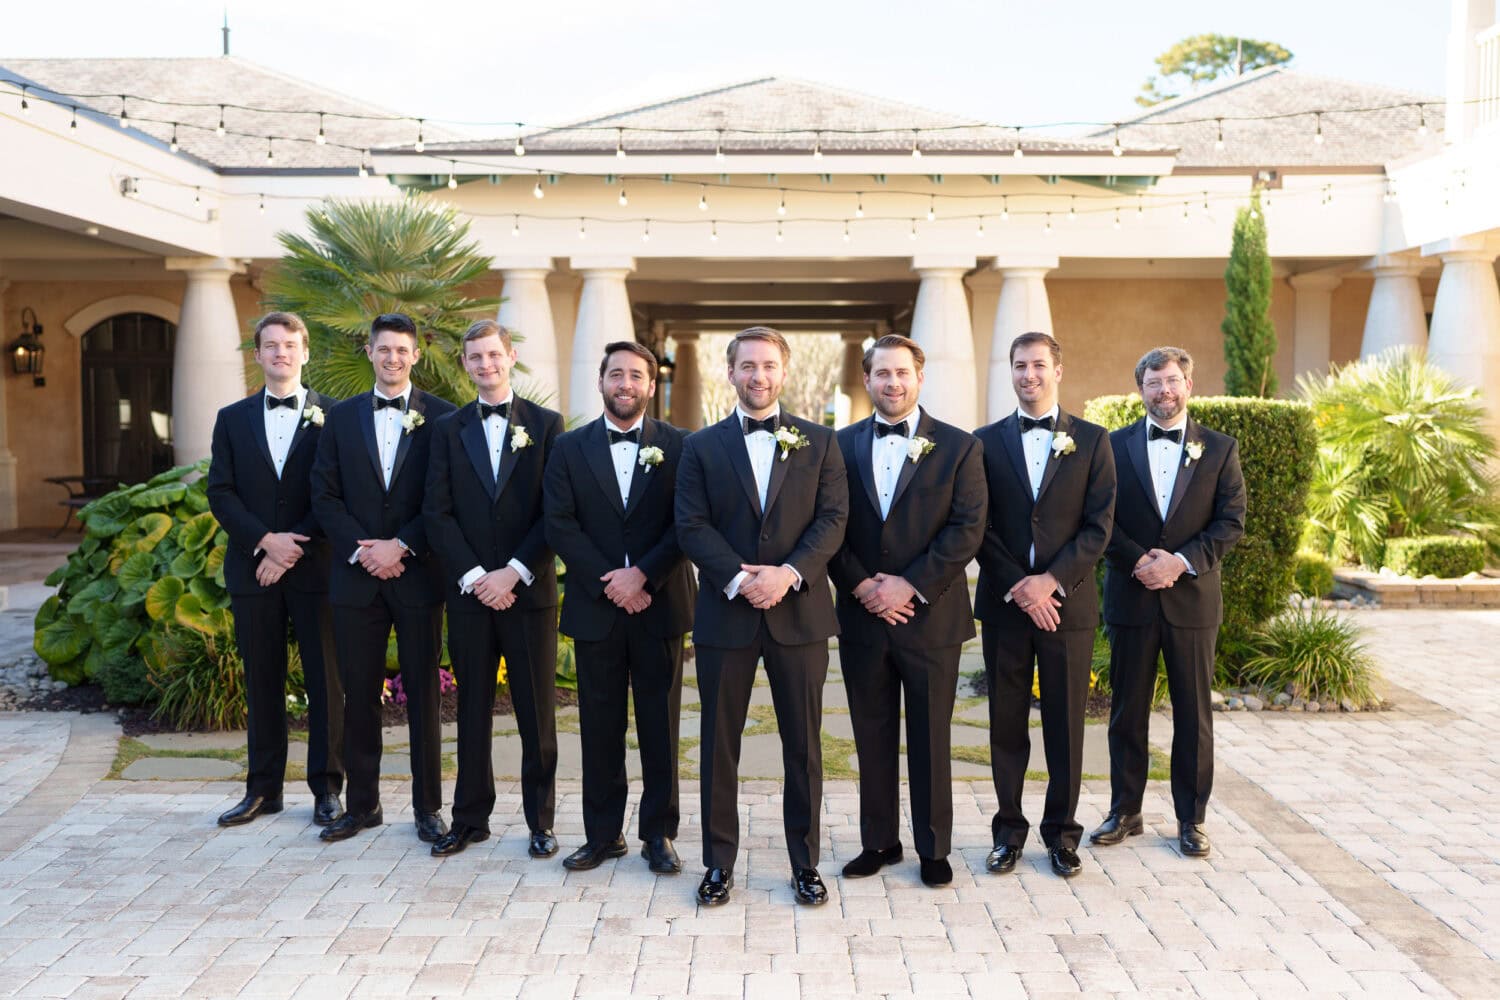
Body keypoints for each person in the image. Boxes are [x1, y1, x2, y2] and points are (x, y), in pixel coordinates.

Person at [675, 326, 848, 906]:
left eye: (768, 366)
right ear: (730, 373)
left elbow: (832, 521)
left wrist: (787, 574)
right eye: (747, 366)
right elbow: (691, 524)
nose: (758, 376)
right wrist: (740, 578)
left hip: (799, 615)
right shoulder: (700, 447)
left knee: (803, 747)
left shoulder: (821, 442)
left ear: (784, 372)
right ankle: (719, 863)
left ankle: (805, 863)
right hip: (727, 617)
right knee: (718, 745)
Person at [827, 334, 986, 888]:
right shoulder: (838, 445)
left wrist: (909, 587)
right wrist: (864, 586)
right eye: (881, 374)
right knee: (870, 733)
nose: (892, 383)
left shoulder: (961, 447)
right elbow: (828, 526)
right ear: (867, 380)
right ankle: (878, 841)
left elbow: (966, 529)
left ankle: (934, 848)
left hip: (931, 617)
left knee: (930, 736)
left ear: (919, 378)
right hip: (863, 614)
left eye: (902, 373)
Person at [544, 341, 695, 874]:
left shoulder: (682, 446)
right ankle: (602, 835)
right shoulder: (568, 448)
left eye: (636, 375)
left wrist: (643, 575)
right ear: (601, 381)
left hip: (660, 603)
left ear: (651, 386)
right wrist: (611, 581)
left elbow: (688, 523)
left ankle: (660, 834)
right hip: (596, 604)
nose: (625, 383)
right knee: (599, 726)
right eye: (616, 374)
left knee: (661, 725)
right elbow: (559, 522)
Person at [1090, 346, 1245, 859]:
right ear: (1141, 390)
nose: (1165, 391)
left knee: (1193, 714)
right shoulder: (1111, 447)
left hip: (1192, 601)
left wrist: (1178, 562)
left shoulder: (1220, 449)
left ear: (1189, 385)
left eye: (1173, 380)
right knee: (1126, 711)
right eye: (1154, 383)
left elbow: (1230, 522)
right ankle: (1125, 811)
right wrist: (1141, 562)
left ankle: (1191, 819)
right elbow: (1100, 519)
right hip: (1131, 598)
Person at [974, 332, 1115, 878]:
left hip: (1069, 608)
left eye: (1038, 365)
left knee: (1065, 727)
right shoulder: (982, 443)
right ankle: (1008, 832)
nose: (1028, 375)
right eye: (1019, 366)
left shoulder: (1094, 441)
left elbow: (1098, 526)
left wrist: (1051, 582)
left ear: (1058, 369)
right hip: (1007, 607)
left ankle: (1061, 835)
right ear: (1010, 373)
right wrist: (1020, 585)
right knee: (1005, 724)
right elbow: (976, 525)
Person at [311, 313, 455, 844]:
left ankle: (427, 809)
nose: (393, 358)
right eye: (383, 349)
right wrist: (362, 551)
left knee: (423, 697)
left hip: (418, 576)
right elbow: (323, 494)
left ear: (416, 355)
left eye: (402, 350)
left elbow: (444, 497)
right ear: (368, 353)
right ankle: (363, 806)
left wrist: (403, 545)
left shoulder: (443, 418)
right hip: (356, 579)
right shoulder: (341, 418)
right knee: (359, 695)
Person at [423, 320, 563, 859]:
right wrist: (475, 577)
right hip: (469, 595)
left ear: (512, 356)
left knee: (536, 714)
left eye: (493, 355)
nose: (485, 365)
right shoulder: (446, 429)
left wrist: (514, 571)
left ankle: (540, 822)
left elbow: (556, 512)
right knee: (472, 710)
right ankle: (470, 818)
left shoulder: (547, 426)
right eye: (475, 358)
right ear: (465, 364)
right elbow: (437, 512)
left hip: (528, 594)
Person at [207, 311, 343, 828]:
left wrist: (290, 549)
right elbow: (221, 491)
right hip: (253, 569)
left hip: (316, 571)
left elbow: (335, 493)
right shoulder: (231, 418)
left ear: (305, 353)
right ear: (258, 354)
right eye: (271, 345)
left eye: (290, 344)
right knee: (261, 679)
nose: (281, 352)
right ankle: (263, 790)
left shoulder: (336, 416)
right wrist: (264, 543)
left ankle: (327, 790)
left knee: (326, 681)